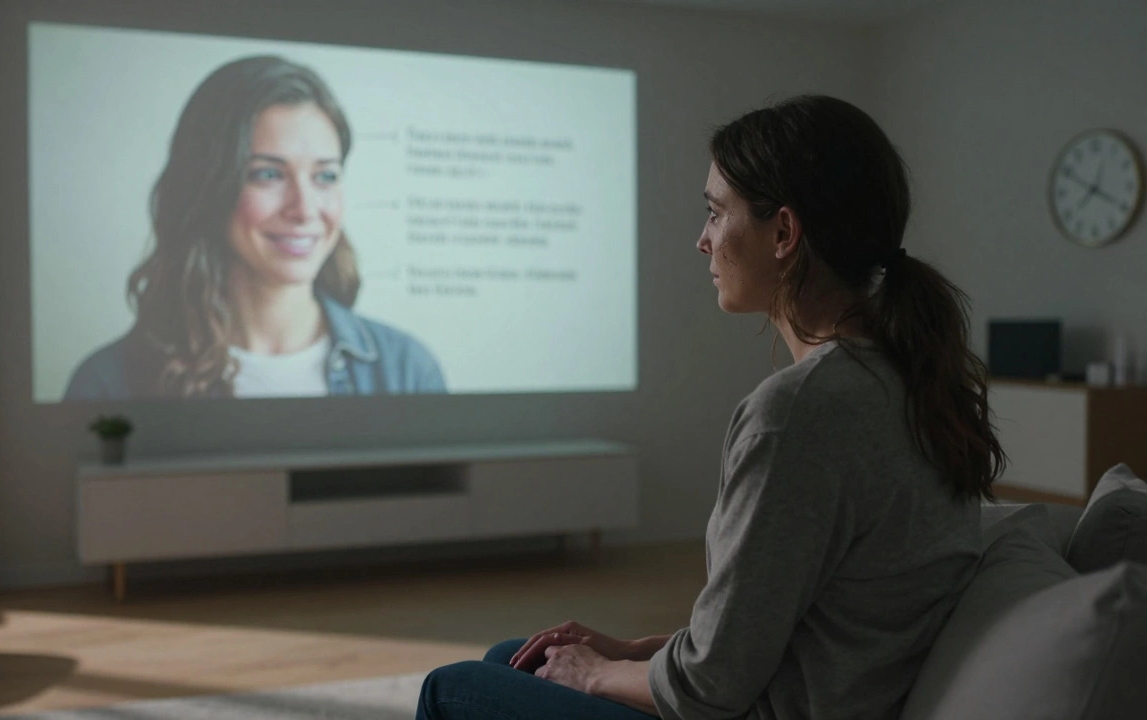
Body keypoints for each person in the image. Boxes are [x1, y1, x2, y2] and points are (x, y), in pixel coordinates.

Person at [415, 95, 1005, 720]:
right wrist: (632, 652)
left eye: (715, 213)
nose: (702, 241)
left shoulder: (799, 411)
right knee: (517, 656)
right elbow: (790, 629)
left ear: (783, 232)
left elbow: (711, 688)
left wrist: (600, 674)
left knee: (450, 690)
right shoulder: (908, 377)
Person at [64, 56, 445, 400]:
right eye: (268, 174)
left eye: (325, 176)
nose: (305, 208)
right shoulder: (109, 383)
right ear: (208, 187)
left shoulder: (407, 371)